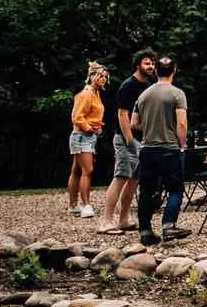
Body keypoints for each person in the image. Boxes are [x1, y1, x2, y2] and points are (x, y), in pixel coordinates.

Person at [131, 55, 190, 245]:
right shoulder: (177, 94)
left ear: (156, 71)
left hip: (147, 149)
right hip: (169, 148)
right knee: (175, 189)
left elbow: (134, 123)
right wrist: (182, 145)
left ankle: (146, 231)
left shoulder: (144, 95)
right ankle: (168, 226)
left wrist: (150, 126)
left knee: (146, 191)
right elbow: (181, 123)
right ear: (174, 71)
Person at [100, 49, 158, 234]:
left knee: (133, 180)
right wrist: (130, 140)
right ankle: (106, 221)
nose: (151, 66)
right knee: (121, 177)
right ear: (137, 65)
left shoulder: (148, 85)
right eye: (147, 63)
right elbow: (122, 115)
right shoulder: (128, 86)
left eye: (153, 64)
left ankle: (124, 218)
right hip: (126, 139)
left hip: (142, 140)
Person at [67, 62, 110, 218]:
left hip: (88, 136)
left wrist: (97, 126)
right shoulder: (86, 94)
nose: (103, 79)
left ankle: (72, 205)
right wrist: (88, 127)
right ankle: (86, 205)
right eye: (100, 76)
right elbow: (77, 116)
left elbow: (92, 115)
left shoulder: (96, 93)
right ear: (91, 76)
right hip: (81, 136)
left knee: (77, 170)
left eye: (105, 77)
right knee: (88, 170)